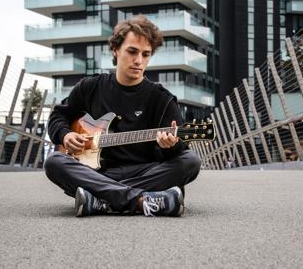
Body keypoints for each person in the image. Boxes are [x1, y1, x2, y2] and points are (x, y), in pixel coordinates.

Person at [44, 15, 201, 218]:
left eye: (146, 54)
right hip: (97, 172)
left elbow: (178, 152)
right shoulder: (90, 87)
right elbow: (58, 116)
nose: (139, 60)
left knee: (191, 161)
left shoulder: (161, 99)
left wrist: (170, 146)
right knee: (55, 162)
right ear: (115, 50)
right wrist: (65, 135)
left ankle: (102, 199)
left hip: (144, 172)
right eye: (132, 51)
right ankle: (142, 201)